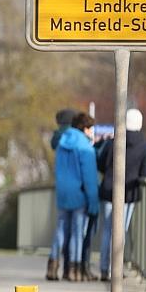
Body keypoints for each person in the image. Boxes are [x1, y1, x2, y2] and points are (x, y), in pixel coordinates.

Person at [97, 108, 146, 281]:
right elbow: (145, 173)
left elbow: (101, 163)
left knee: (107, 230)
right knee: (120, 231)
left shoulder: (113, 142)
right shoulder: (145, 146)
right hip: (129, 193)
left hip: (109, 190)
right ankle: (115, 269)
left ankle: (104, 269)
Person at [48, 112, 99, 281]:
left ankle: (52, 267)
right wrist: (93, 201)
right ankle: (73, 270)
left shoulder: (62, 142)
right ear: (84, 129)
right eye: (91, 129)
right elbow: (89, 177)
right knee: (77, 233)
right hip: (79, 194)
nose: (92, 132)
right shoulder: (85, 147)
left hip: (63, 192)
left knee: (60, 230)